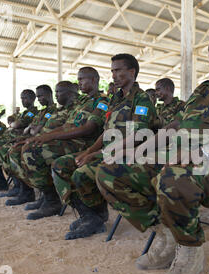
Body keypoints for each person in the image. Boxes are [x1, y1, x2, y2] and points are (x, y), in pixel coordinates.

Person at [96, 30, 209, 274]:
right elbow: (175, 125)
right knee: (110, 171)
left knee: (175, 177)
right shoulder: (204, 89)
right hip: (176, 156)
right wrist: (137, 149)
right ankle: (166, 233)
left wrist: (202, 153)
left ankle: (190, 250)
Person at [51, 53, 157, 240]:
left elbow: (138, 136)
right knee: (61, 165)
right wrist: (89, 151)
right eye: (112, 71)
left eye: (118, 71)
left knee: (81, 173)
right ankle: (90, 215)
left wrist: (97, 154)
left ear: (132, 72)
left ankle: (96, 218)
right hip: (106, 151)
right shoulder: (115, 99)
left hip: (129, 154)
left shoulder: (141, 100)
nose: (113, 75)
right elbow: (107, 131)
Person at [20, 70, 109, 220]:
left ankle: (54, 200)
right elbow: (66, 125)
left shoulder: (102, 101)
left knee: (34, 152)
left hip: (85, 143)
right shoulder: (83, 102)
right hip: (71, 141)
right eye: (78, 79)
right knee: (30, 146)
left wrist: (51, 137)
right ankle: (49, 196)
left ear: (94, 80)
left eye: (82, 79)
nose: (79, 82)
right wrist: (43, 137)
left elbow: (88, 128)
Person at [0, 89, 40, 198]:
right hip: (8, 137)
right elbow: (14, 123)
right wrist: (14, 124)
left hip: (16, 138)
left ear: (33, 99)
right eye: (21, 98)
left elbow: (16, 124)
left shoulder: (32, 112)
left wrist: (13, 124)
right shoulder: (24, 112)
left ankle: (18, 186)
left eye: (25, 98)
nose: (23, 101)